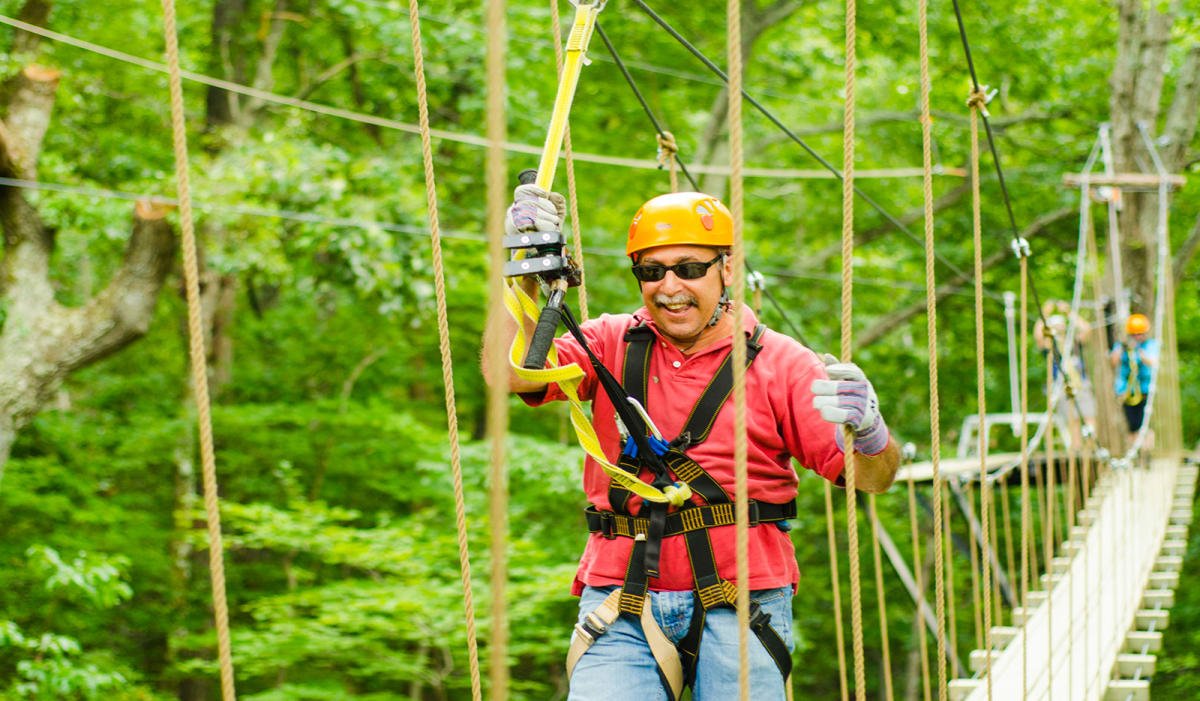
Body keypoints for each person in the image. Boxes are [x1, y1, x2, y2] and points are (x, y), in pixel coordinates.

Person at [482, 186, 900, 701]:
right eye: (651, 272)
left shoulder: (783, 363)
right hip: (622, 595)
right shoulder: (609, 342)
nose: (669, 286)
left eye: (689, 268)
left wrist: (872, 432)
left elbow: (872, 478)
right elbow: (511, 373)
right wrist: (523, 267)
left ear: (726, 268)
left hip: (744, 600)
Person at [1033, 300, 1096, 441]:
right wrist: (1044, 313)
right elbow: (1038, 335)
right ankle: (1078, 451)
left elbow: (1086, 329)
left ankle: (1092, 448)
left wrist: (1069, 312)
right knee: (1073, 421)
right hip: (1063, 386)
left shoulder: (1074, 343)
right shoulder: (1050, 347)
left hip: (1081, 383)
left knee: (1089, 417)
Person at [1109, 313, 1159, 442]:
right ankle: (1135, 453)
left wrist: (1139, 353)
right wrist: (1123, 348)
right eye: (1135, 334)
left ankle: (1146, 453)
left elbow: (1153, 362)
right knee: (1132, 425)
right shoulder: (1121, 346)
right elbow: (1113, 362)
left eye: (1140, 334)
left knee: (1145, 424)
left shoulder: (1150, 345)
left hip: (1144, 391)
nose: (1138, 337)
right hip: (1127, 393)